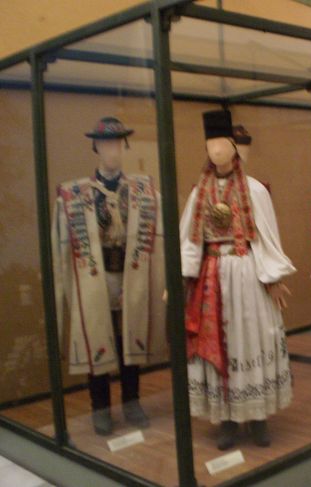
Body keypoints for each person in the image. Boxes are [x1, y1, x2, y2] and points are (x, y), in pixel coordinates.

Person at [180, 110, 295, 450]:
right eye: (211, 143)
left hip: (247, 274)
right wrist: (183, 279)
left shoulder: (254, 190)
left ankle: (257, 416)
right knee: (222, 344)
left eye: (222, 142)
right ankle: (228, 419)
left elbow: (267, 238)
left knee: (252, 340)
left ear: (233, 146)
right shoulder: (199, 193)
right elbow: (190, 239)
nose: (216, 149)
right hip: (211, 277)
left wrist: (273, 277)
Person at [52, 117, 167, 436]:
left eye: (117, 143)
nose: (112, 150)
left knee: (128, 337)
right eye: (106, 144)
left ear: (124, 146)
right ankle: (99, 407)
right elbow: (62, 250)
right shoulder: (75, 196)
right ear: (96, 147)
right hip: (96, 275)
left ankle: (132, 401)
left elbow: (157, 240)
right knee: (97, 340)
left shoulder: (144, 192)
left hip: (130, 274)